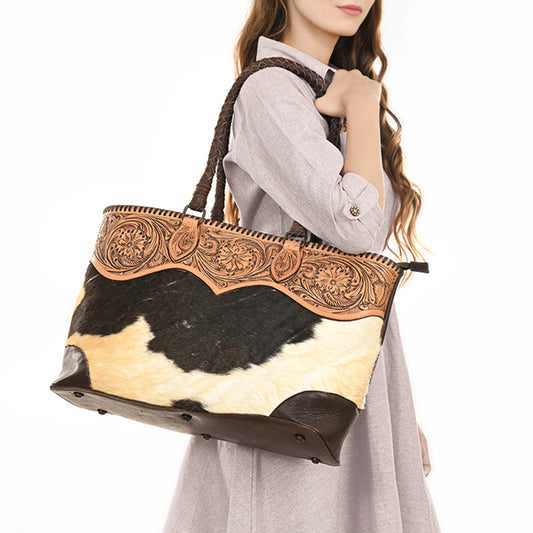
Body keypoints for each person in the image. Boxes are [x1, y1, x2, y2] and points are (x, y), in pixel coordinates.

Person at [163, 1, 441, 531]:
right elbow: (355, 228)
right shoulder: (271, 90)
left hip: (342, 378)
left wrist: (390, 418)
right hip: (282, 383)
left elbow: (354, 259)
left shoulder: (332, 90)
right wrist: (362, 106)